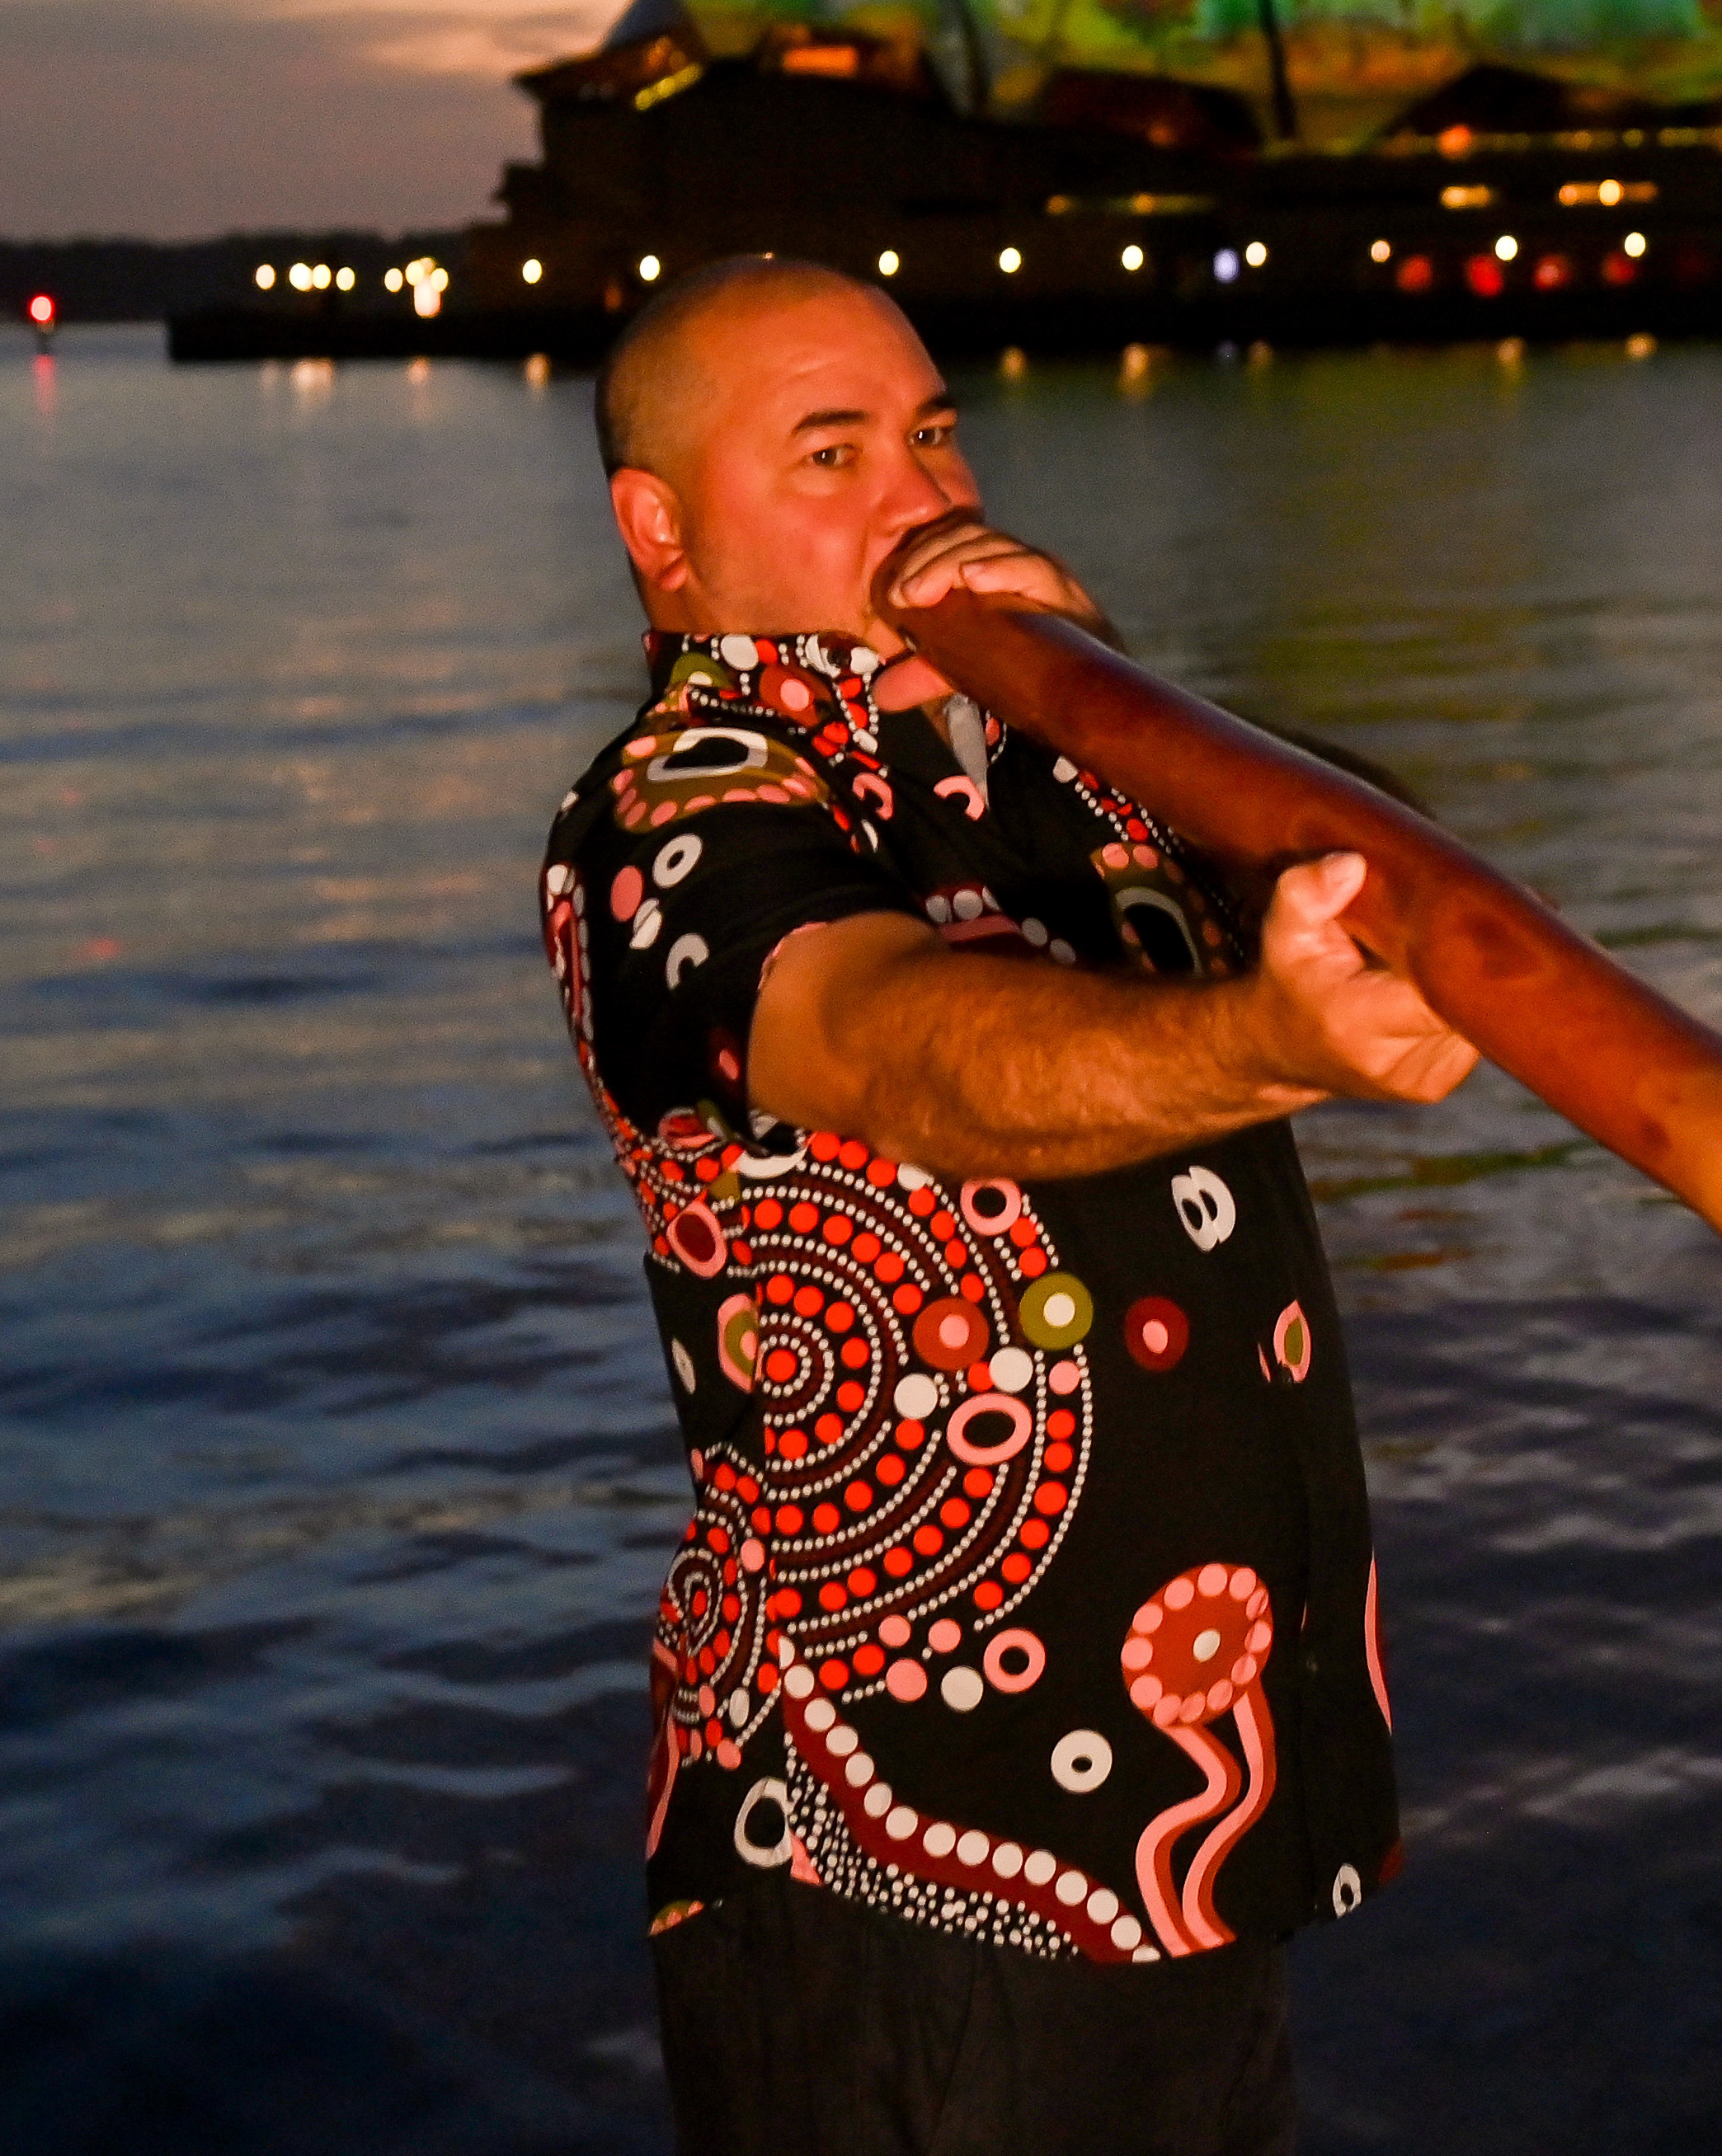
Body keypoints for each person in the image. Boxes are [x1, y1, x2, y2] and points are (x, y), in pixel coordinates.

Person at [537, 257, 1474, 2156]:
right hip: (906, 1849)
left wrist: (1126, 688)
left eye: (932, 432)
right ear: (663, 533)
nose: (922, 497)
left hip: (1180, 1819)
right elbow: (903, 1050)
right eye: (832, 453)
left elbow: (1388, 877)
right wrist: (1261, 1040)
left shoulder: (1047, 762)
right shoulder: (673, 812)